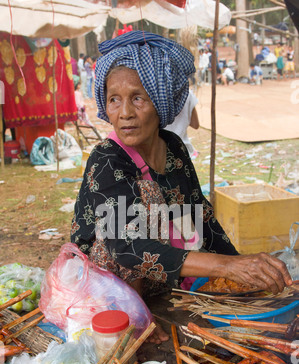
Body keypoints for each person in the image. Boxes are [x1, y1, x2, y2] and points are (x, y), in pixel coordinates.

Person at [71, 31, 292, 343]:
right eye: (114, 100)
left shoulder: (173, 146)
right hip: (105, 285)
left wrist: (245, 268)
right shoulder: (106, 160)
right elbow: (128, 248)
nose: (125, 113)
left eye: (137, 98)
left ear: (160, 102)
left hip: (155, 276)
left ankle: (154, 301)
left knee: (182, 213)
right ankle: (133, 320)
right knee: (135, 214)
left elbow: (200, 215)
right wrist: (227, 266)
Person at [165, 89, 199, 159]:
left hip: (162, 153)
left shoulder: (155, 94)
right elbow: (195, 124)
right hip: (183, 152)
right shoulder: (187, 94)